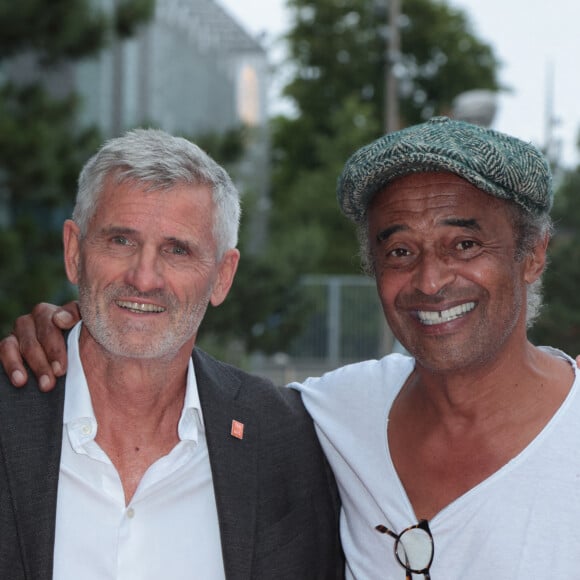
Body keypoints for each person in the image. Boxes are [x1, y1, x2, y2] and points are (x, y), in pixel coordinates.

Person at [3, 117, 580, 578]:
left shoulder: (286, 437)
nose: (431, 281)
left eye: (465, 243)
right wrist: (64, 325)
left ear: (532, 255)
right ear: (75, 252)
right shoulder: (330, 417)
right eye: (400, 251)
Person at [0, 128, 343, 579]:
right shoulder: (10, 410)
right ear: (74, 252)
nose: (144, 278)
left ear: (222, 276)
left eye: (177, 250)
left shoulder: (286, 439)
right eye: (120, 241)